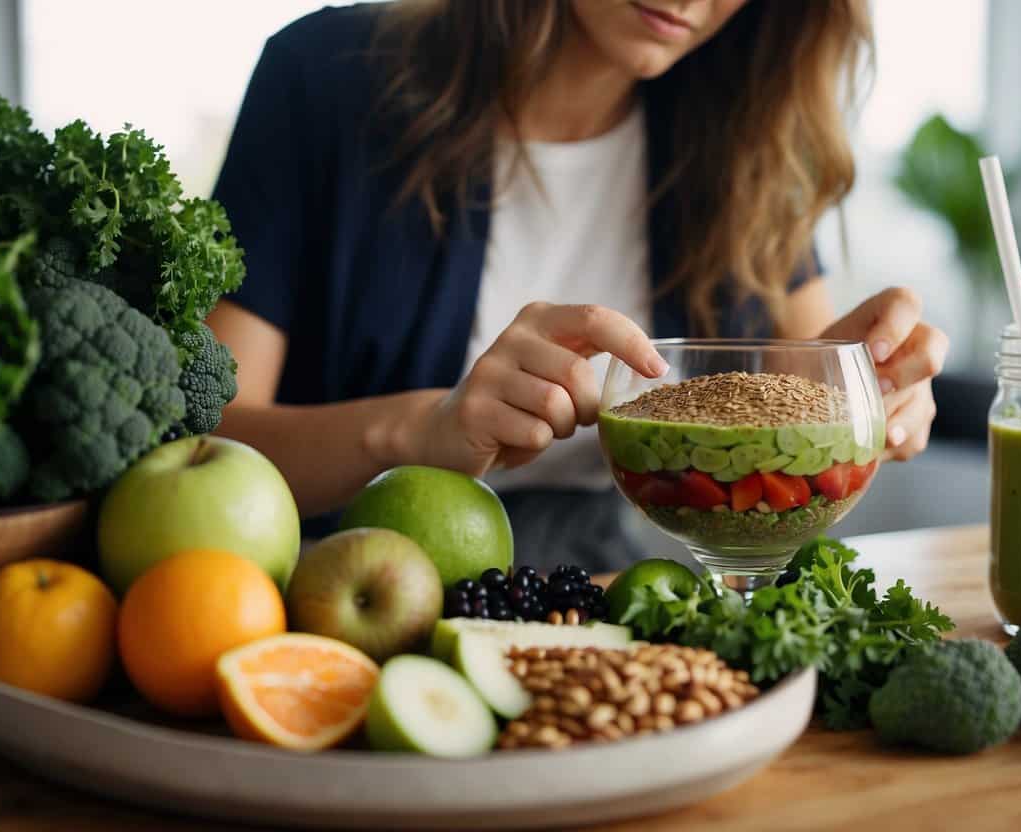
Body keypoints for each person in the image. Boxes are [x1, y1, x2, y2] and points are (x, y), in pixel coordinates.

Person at [207, 0, 948, 571]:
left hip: (616, 581)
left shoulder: (745, 135)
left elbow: (797, 372)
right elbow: (205, 440)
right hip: (344, 579)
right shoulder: (324, 77)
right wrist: (420, 430)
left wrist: (864, 382)